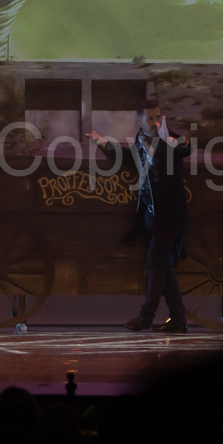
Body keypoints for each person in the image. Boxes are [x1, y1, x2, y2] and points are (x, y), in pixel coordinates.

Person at [88, 99, 192, 332]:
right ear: (140, 120)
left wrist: (169, 142)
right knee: (163, 265)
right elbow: (128, 157)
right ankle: (178, 318)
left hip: (169, 215)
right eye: (150, 118)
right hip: (151, 215)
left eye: (158, 117)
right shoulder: (141, 140)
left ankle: (147, 316)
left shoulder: (170, 139)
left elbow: (184, 148)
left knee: (156, 262)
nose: (155, 122)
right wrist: (102, 142)